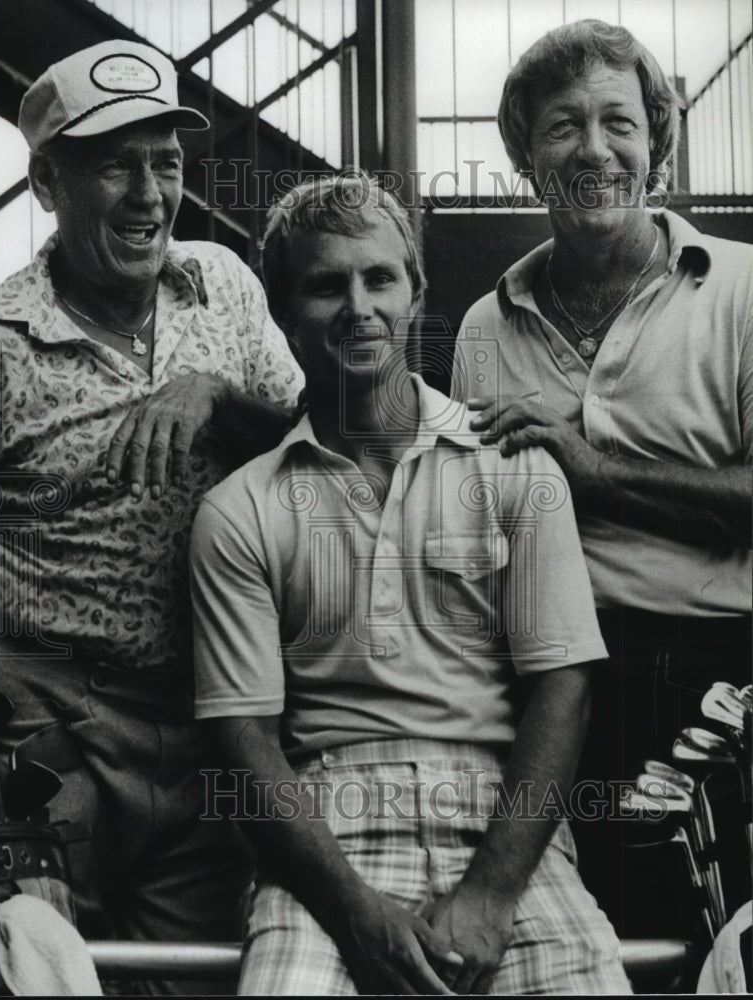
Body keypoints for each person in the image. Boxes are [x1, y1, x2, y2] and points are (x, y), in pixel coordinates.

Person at [0, 39, 303, 993]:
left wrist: (219, 395)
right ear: (47, 182)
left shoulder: (225, 287)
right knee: (19, 966)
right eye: (112, 162)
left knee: (192, 977)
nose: (147, 193)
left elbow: (324, 456)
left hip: (214, 720)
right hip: (50, 736)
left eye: (165, 162)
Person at [189, 173, 631, 995]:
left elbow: (562, 689)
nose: (357, 306)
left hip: (506, 828)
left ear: (416, 293)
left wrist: (491, 895)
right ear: (283, 315)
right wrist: (356, 912)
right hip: (327, 832)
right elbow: (243, 741)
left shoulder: (513, 467)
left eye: (378, 278)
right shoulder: (237, 510)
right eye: (325, 285)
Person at [451, 19, 752, 939]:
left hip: (724, 679)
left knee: (722, 945)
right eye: (561, 127)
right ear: (525, 159)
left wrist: (594, 471)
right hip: (554, 695)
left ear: (655, 144)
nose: (593, 149)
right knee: (588, 951)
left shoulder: (741, 290)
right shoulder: (481, 329)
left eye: (618, 123)